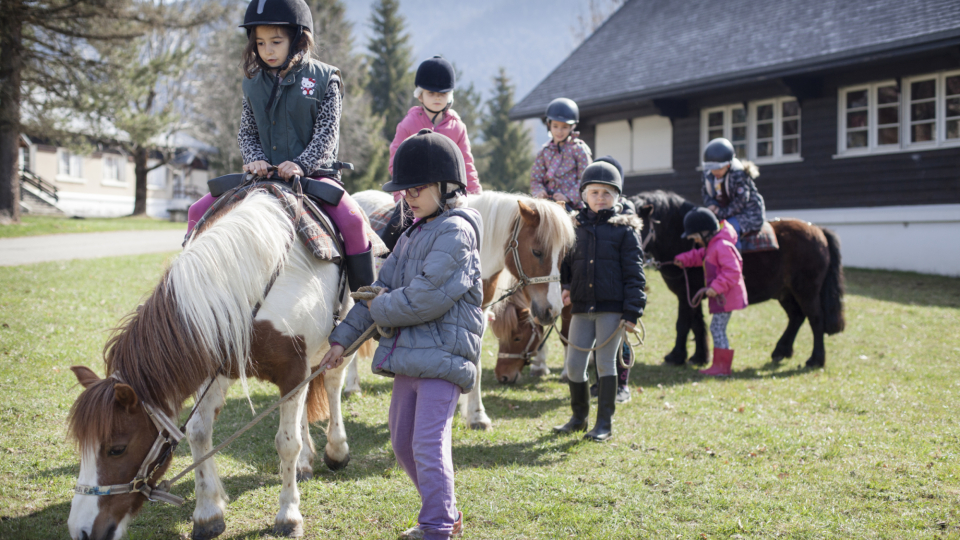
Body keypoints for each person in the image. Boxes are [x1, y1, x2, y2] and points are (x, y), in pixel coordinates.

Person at [320, 129, 482, 539]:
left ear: (447, 186)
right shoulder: (410, 235)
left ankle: (437, 528)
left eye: (417, 188)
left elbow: (425, 298)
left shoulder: (457, 232)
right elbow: (377, 292)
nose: (408, 197)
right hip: (408, 355)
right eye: (404, 190)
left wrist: (380, 306)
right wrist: (341, 341)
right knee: (403, 443)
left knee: (427, 445)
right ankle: (446, 513)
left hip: (443, 359)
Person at [186, 0, 374, 291]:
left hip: (315, 175)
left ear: (298, 39)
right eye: (260, 43)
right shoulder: (252, 83)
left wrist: (301, 164)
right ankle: (186, 291)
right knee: (197, 211)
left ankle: (365, 302)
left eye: (276, 42)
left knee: (353, 221)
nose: (267, 50)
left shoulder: (326, 79)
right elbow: (247, 132)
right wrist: (255, 158)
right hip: (263, 174)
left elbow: (327, 135)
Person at [555, 161, 646, 441]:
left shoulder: (625, 231)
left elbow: (635, 274)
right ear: (584, 195)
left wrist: (632, 312)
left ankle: (604, 423)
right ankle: (578, 418)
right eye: (594, 192)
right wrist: (566, 286)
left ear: (617, 196)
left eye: (607, 193)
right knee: (574, 364)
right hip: (581, 307)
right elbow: (567, 263)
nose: (600, 198)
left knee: (606, 363)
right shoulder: (575, 227)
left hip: (612, 309)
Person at [379, 55, 482, 251]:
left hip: (449, 196)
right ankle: (382, 259)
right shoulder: (408, 124)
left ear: (450, 96)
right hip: (413, 193)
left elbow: (467, 165)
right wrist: (403, 194)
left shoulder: (458, 128)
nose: (437, 98)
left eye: (442, 94)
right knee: (395, 230)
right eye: (431, 93)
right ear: (420, 95)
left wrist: (476, 196)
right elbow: (395, 162)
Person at [673, 208, 748, 376]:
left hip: (726, 297)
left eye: (696, 237)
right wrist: (684, 259)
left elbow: (733, 271)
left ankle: (722, 367)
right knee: (717, 328)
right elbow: (701, 256)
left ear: (705, 232)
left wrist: (716, 287)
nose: (696, 241)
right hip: (723, 297)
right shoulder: (713, 246)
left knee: (717, 329)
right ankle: (720, 365)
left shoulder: (722, 246)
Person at [588, 155, 635, 404]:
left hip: (620, 288)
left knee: (622, 339)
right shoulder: (589, 213)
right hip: (596, 290)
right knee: (600, 340)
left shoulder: (626, 213)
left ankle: (623, 384)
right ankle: (601, 382)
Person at [700, 138, 766, 248]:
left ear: (728, 165)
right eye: (712, 168)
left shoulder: (739, 174)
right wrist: (711, 206)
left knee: (729, 230)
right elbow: (706, 193)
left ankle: (733, 257)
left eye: (718, 168)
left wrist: (720, 212)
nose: (715, 171)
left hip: (746, 213)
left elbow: (741, 201)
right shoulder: (708, 175)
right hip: (720, 213)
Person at [530, 97, 593, 210]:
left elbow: (585, 179)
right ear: (549, 125)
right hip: (547, 203)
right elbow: (536, 178)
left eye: (564, 127)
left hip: (572, 205)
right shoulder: (544, 152)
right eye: (555, 126)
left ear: (572, 126)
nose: (559, 131)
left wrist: (568, 197)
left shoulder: (579, 149)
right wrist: (539, 191)